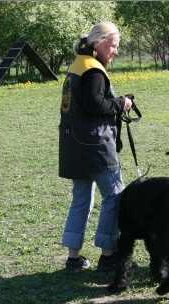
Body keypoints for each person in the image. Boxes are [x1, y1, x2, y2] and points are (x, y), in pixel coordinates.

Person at [59, 21, 134, 274]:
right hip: (96, 146)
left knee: (81, 200)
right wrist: (121, 103)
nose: (115, 51)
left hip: (74, 146)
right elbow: (96, 105)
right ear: (99, 43)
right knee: (114, 197)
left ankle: (73, 259)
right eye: (113, 46)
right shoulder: (93, 70)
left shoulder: (77, 66)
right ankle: (109, 255)